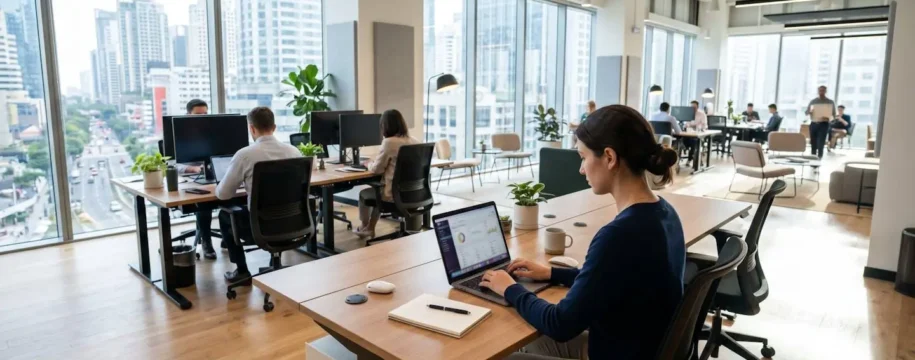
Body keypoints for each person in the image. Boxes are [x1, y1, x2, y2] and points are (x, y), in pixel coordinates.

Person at [481, 105, 685, 360]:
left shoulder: (619, 234)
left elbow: (560, 324)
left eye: (583, 156)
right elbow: (612, 276)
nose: (580, 169)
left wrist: (509, 288)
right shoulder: (665, 213)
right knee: (527, 339)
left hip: (612, 353)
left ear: (609, 157)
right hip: (638, 347)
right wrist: (552, 273)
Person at [215, 107, 302, 284]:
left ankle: (242, 270)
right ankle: (274, 261)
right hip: (293, 223)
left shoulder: (245, 155)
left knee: (224, 214)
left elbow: (224, 195)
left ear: (251, 128)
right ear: (274, 127)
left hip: (258, 228)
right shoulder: (294, 152)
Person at [352, 109, 419, 238]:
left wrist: (368, 164)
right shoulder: (414, 141)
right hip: (415, 194)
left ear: (385, 126)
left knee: (366, 194)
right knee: (379, 191)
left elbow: (377, 169)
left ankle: (366, 227)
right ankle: (370, 228)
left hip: (393, 195)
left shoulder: (389, 142)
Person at [806, 85, 837, 159]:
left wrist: (829, 118)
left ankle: (819, 158)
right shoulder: (813, 101)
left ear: (825, 91)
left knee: (821, 143)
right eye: (820, 90)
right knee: (813, 142)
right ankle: (813, 157)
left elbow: (833, 115)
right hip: (814, 123)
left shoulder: (830, 102)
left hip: (824, 124)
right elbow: (806, 112)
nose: (821, 92)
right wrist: (810, 112)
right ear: (818, 91)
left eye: (823, 90)